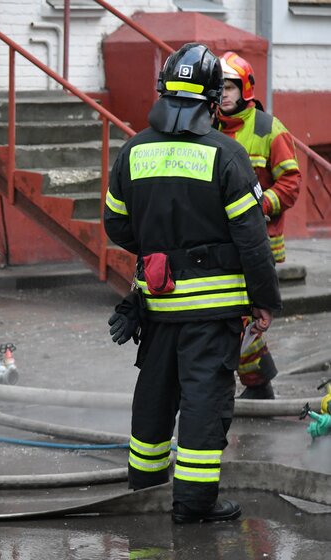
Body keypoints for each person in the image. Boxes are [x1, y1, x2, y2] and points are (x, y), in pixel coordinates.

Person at [103, 43, 281, 524]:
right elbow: (252, 238)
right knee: (204, 400)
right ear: (209, 100)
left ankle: (143, 488)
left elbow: (116, 227)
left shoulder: (134, 149)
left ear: (162, 92)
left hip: (157, 306)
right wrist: (265, 300)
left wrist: (159, 241)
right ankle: (195, 503)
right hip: (213, 312)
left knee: (155, 394)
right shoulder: (227, 154)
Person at [217, 51, 302, 400]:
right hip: (221, 242)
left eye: (230, 86)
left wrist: (260, 204)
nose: (223, 93)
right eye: (218, 86)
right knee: (235, 317)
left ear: (245, 88)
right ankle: (255, 381)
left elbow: (291, 183)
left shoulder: (269, 129)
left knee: (246, 320)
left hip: (258, 243)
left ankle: (255, 383)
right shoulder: (208, 127)